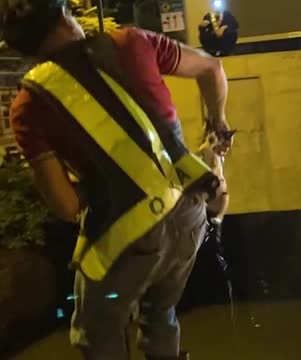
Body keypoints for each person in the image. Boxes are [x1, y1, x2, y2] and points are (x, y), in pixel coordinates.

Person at [1, 0, 234, 359]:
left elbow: (66, 207)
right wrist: (217, 122)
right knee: (161, 314)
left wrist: (107, 184)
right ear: (65, 15)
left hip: (125, 236)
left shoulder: (30, 104)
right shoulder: (130, 41)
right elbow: (212, 68)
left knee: (97, 330)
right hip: (189, 213)